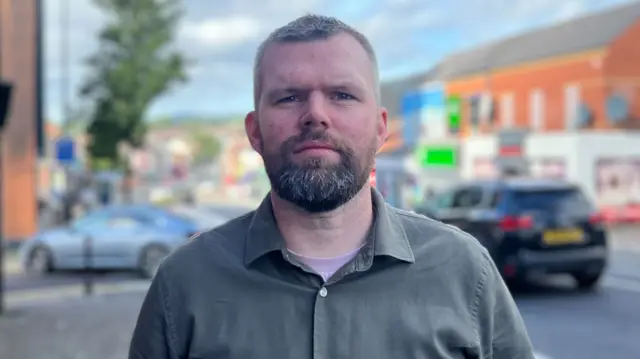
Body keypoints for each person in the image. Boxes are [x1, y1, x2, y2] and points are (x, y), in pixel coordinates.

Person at [129, 14, 535, 359]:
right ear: (254, 132)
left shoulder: (465, 272)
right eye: (289, 97)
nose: (316, 115)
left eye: (341, 95)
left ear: (380, 128)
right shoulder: (183, 283)